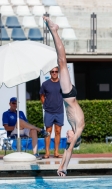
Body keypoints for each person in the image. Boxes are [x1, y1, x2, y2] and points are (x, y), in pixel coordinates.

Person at [43, 16, 85, 176]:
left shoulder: (75, 130)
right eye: (70, 137)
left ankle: (54, 31)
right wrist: (65, 168)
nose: (67, 134)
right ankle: (54, 30)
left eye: (66, 136)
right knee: (61, 61)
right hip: (68, 94)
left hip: (67, 95)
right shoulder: (79, 128)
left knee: (61, 62)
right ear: (75, 138)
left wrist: (61, 168)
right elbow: (71, 151)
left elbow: (67, 151)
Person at [40, 67, 64, 158]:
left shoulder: (62, 83)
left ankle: (56, 152)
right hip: (49, 111)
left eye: (56, 71)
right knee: (48, 131)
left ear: (58, 72)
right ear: (50, 72)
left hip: (59, 111)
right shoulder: (45, 84)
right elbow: (42, 96)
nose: (54, 73)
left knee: (58, 131)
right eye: (52, 71)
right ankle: (47, 153)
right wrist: (45, 105)